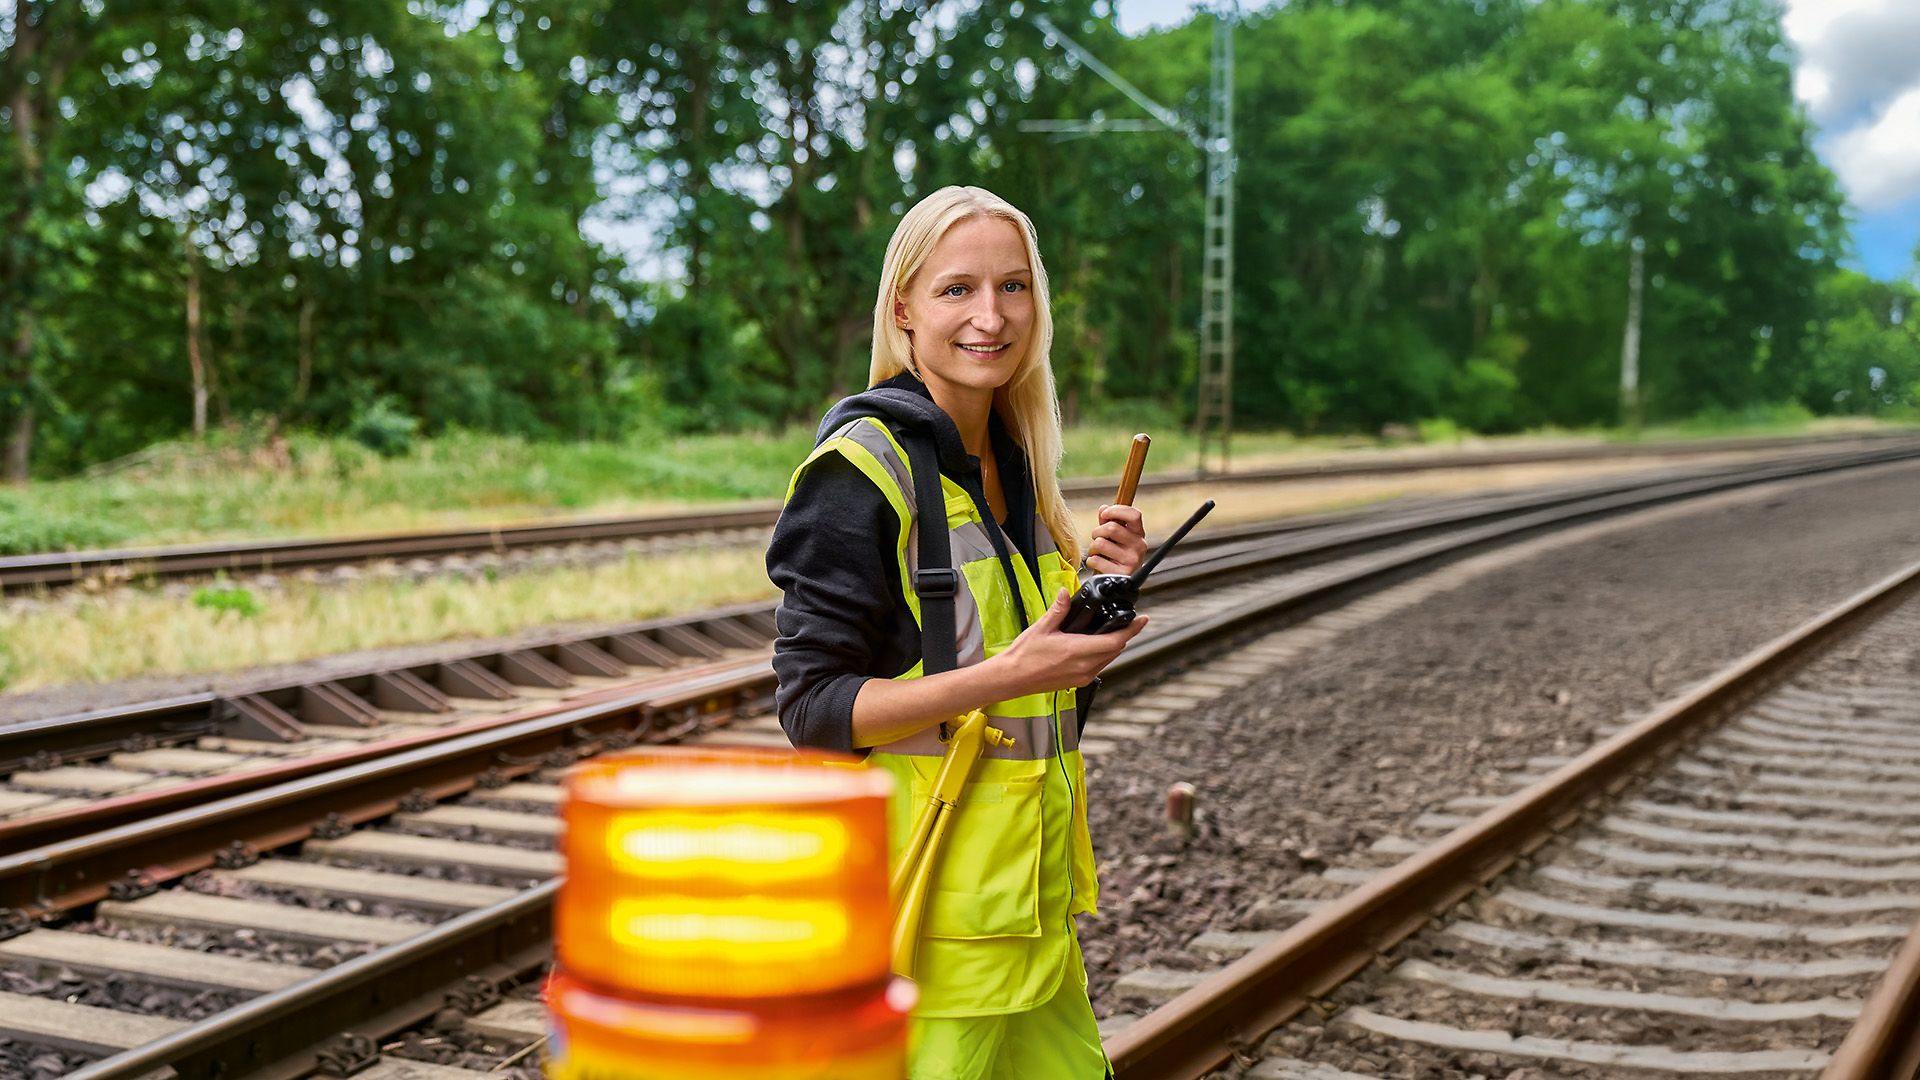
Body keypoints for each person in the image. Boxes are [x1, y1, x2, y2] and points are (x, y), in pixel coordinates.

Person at [766, 185, 1150, 1080]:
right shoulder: (857, 473)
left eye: (1013, 287)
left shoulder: (1012, 463)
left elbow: (1042, 707)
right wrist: (1010, 672)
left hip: (1029, 923)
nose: (991, 315)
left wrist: (1099, 597)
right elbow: (813, 710)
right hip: (925, 933)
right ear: (903, 308)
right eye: (956, 290)